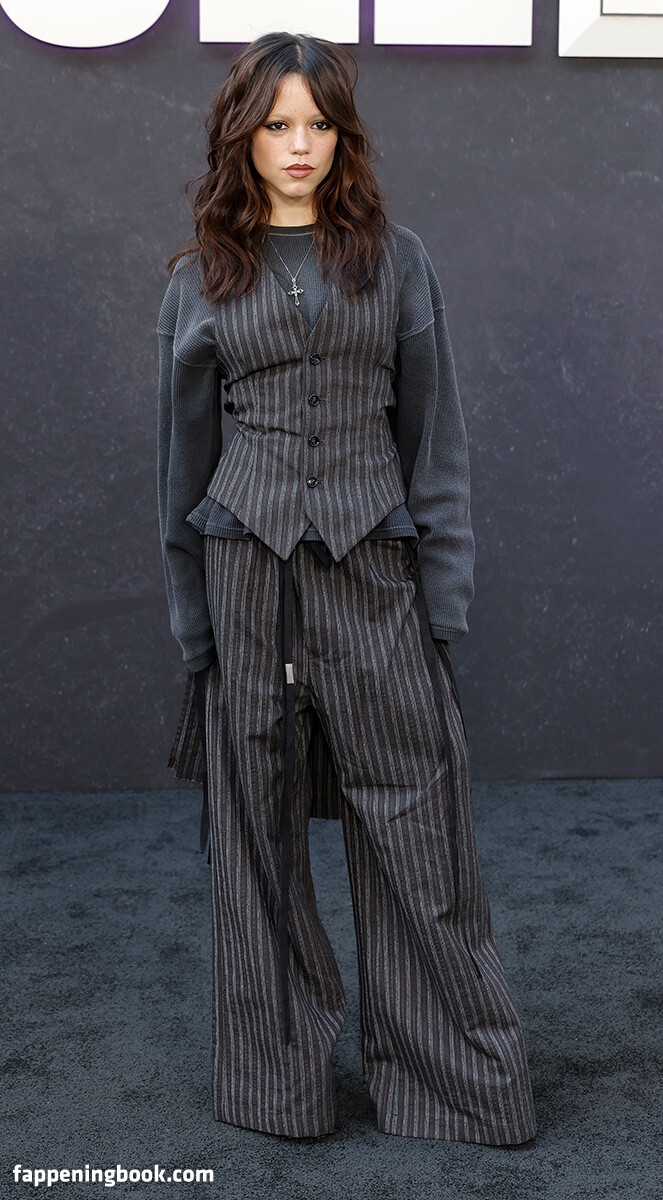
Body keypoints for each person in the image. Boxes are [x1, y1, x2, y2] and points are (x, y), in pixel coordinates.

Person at [156, 30, 537, 1145]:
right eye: (277, 124)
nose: (299, 144)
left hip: (375, 575)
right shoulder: (197, 279)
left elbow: (436, 445)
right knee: (256, 847)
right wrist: (195, 631)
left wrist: (442, 606)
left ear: (342, 135)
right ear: (243, 135)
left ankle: (454, 1087)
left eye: (318, 123)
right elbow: (179, 467)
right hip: (245, 576)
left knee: (418, 828)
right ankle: (279, 1089)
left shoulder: (397, 260)